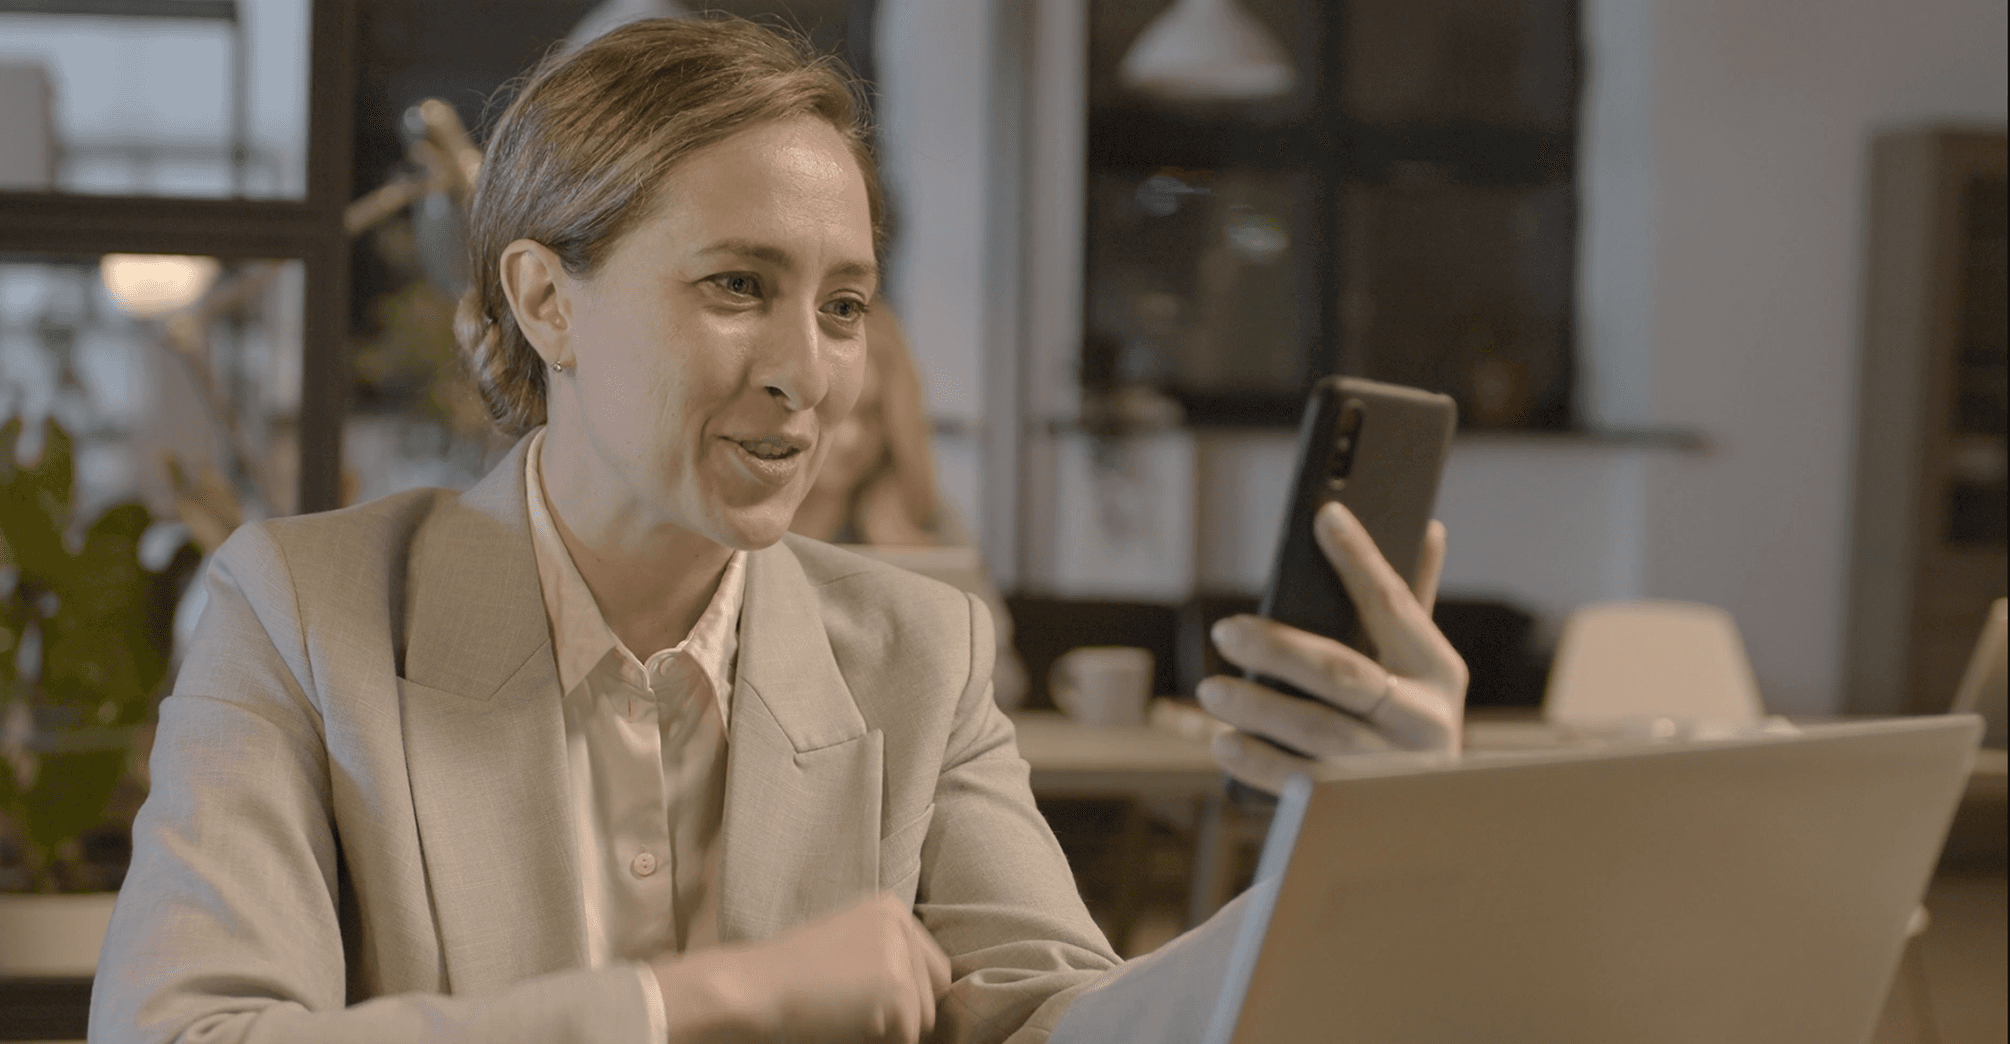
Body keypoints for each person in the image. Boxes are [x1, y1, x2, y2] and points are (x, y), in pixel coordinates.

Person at [89, 17, 1466, 1044]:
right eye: (740, 284)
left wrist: (1368, 853)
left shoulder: (916, 651)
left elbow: (1064, 1023)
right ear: (545, 302)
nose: (808, 369)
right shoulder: (296, 612)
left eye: (847, 305)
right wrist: (705, 1003)